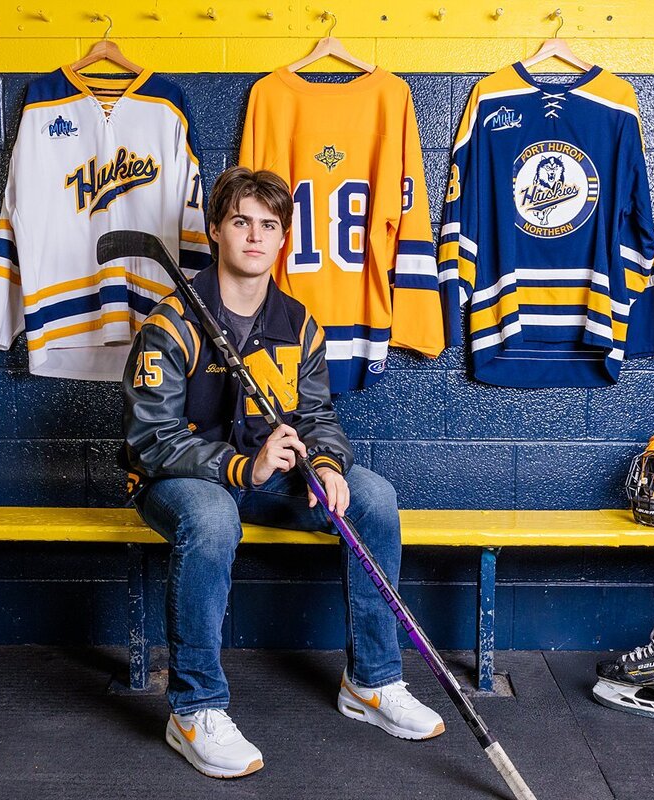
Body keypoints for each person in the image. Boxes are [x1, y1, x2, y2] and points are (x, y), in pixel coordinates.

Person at [121, 166, 444, 779]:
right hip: (180, 485)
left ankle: (372, 682)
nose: (254, 236)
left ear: (283, 238)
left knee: (372, 496)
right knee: (213, 515)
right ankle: (195, 711)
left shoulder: (298, 323)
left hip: (266, 479)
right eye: (241, 221)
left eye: (268, 225)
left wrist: (324, 462)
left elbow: (318, 415)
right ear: (215, 229)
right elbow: (150, 442)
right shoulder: (170, 325)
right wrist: (242, 466)